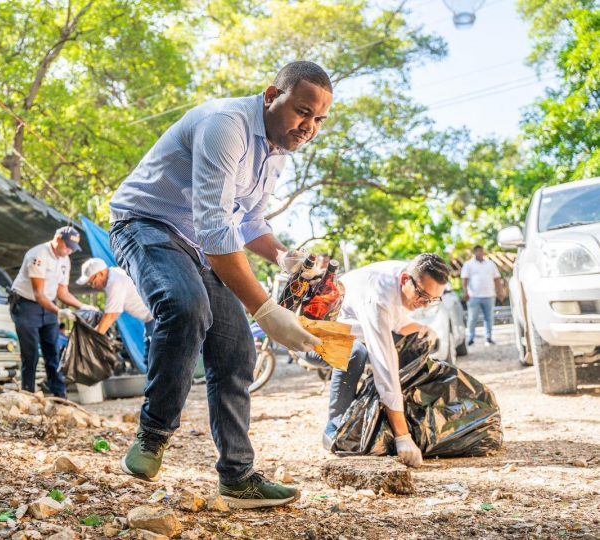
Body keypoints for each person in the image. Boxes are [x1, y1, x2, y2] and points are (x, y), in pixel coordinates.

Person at [109, 61, 332, 508]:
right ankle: (153, 436)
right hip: (145, 224)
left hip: (196, 243)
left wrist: (283, 256)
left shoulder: (276, 153)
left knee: (236, 350)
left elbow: (247, 220)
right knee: (186, 305)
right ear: (272, 95)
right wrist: (267, 312)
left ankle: (238, 477)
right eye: (303, 111)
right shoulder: (224, 125)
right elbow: (215, 228)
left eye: (319, 120)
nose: (309, 127)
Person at [317, 254, 450, 468]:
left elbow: (399, 326)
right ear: (405, 280)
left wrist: (424, 329)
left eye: (433, 299)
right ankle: (336, 428)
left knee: (413, 339)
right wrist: (402, 437)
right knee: (355, 353)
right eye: (423, 296)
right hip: (310, 334)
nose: (425, 305)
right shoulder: (378, 296)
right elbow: (384, 366)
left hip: (349, 327)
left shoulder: (405, 281)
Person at [9, 226, 88, 398]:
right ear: (58, 239)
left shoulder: (65, 259)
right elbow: (39, 294)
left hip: (49, 305)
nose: (69, 251)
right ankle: (28, 394)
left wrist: (82, 306)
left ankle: (60, 396)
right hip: (26, 305)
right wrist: (60, 312)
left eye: (72, 249)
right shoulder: (38, 255)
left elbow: (62, 292)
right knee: (31, 354)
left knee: (53, 351)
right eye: (67, 246)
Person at [76, 258, 155, 354]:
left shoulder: (115, 282)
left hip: (155, 319)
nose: (93, 286)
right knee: (150, 358)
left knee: (156, 358)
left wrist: (91, 342)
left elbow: (110, 316)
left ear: (100, 274)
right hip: (150, 320)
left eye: (92, 282)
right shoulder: (115, 274)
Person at [461, 245, 505, 346]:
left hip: (489, 295)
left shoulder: (490, 264)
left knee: (489, 317)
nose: (480, 253)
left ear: (483, 252)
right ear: (474, 252)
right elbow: (465, 279)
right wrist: (465, 292)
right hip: (473, 296)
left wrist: (500, 292)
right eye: (477, 251)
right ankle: (471, 337)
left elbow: (497, 279)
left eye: (481, 251)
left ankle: (489, 337)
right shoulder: (468, 264)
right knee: (472, 318)